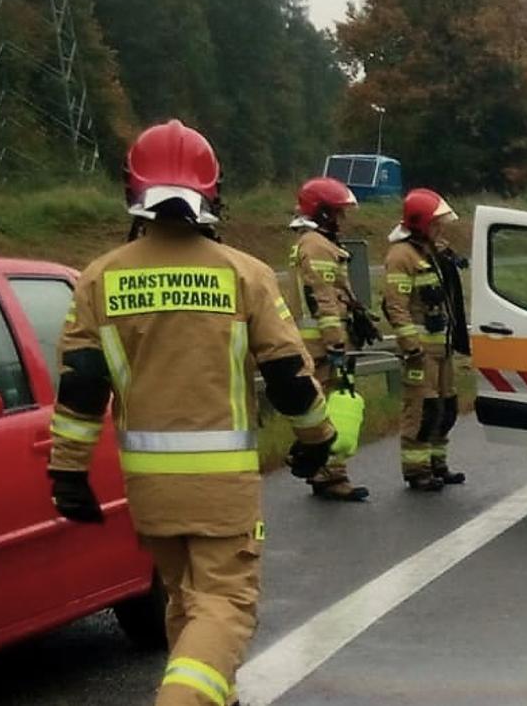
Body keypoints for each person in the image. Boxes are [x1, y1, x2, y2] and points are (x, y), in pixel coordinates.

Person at [46, 120, 335, 706]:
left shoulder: (99, 279)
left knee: (187, 603)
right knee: (225, 604)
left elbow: (81, 388)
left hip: (151, 491)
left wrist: (68, 471)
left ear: (133, 189)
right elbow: (289, 375)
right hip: (221, 490)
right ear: (212, 191)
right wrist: (316, 439)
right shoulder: (244, 274)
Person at [288, 177, 372, 502]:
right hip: (323, 345)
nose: (343, 219)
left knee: (325, 407)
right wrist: (336, 342)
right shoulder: (317, 246)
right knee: (331, 410)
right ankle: (330, 474)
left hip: (319, 342)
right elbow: (322, 299)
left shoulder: (315, 243)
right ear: (323, 212)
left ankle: (323, 470)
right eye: (338, 212)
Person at [381, 188, 470, 491]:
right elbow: (396, 306)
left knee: (446, 409)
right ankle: (416, 470)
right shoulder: (401, 256)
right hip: (421, 352)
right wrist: (412, 347)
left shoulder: (430, 252)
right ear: (421, 223)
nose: (440, 229)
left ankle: (437, 463)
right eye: (435, 223)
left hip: (441, 347)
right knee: (422, 411)